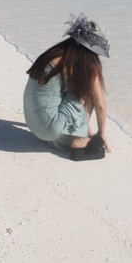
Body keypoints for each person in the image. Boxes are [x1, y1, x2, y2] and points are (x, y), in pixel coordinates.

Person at [23, 13, 112, 160]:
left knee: (73, 87)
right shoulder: (87, 66)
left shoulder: (53, 54)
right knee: (88, 90)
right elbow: (100, 104)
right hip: (50, 130)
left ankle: (76, 129)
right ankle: (79, 137)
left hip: (32, 124)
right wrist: (101, 134)